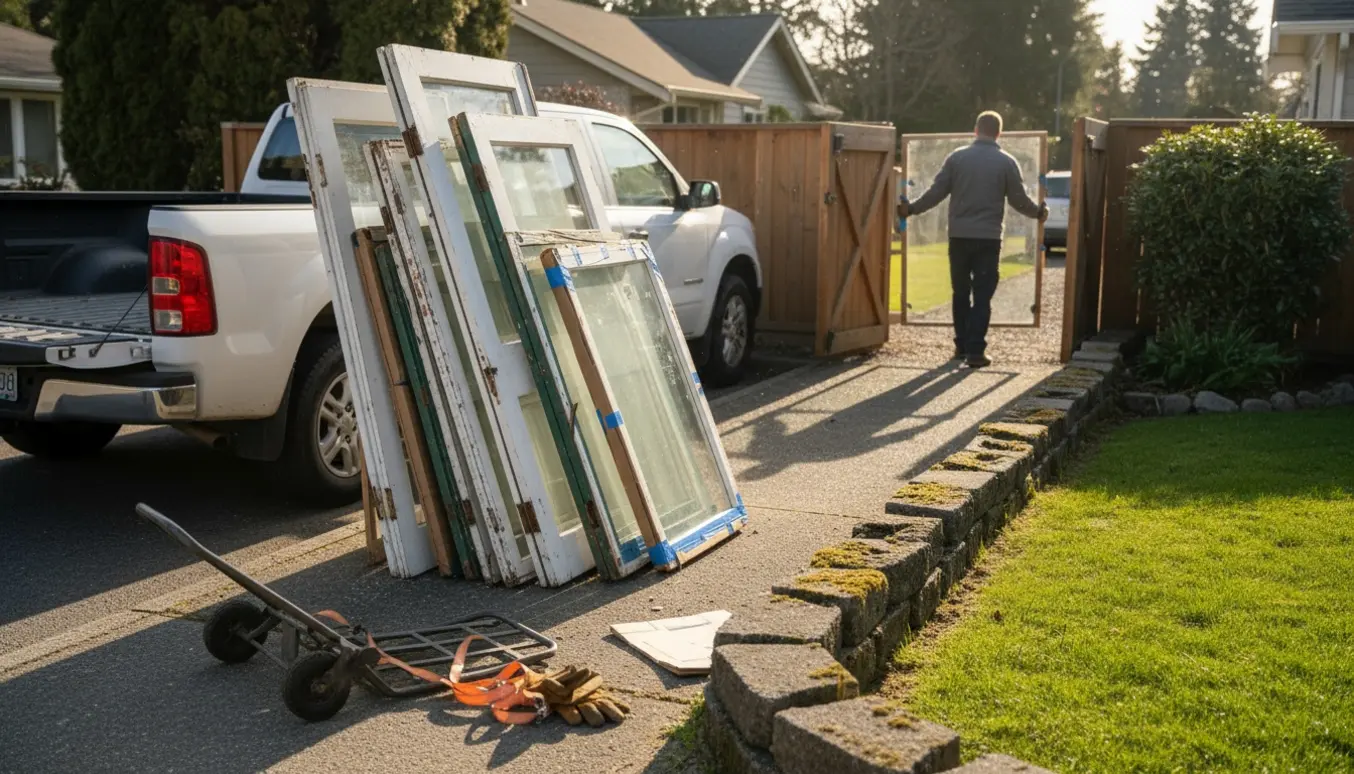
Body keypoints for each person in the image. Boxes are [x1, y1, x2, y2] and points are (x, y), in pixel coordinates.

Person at [899, 111, 1048, 368]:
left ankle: (961, 345)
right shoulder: (1006, 162)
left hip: (958, 237)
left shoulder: (957, 158)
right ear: (999, 133)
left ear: (975, 130)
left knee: (960, 292)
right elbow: (1018, 199)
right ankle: (976, 351)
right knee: (982, 295)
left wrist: (911, 208)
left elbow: (936, 193)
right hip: (989, 238)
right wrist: (1038, 212)